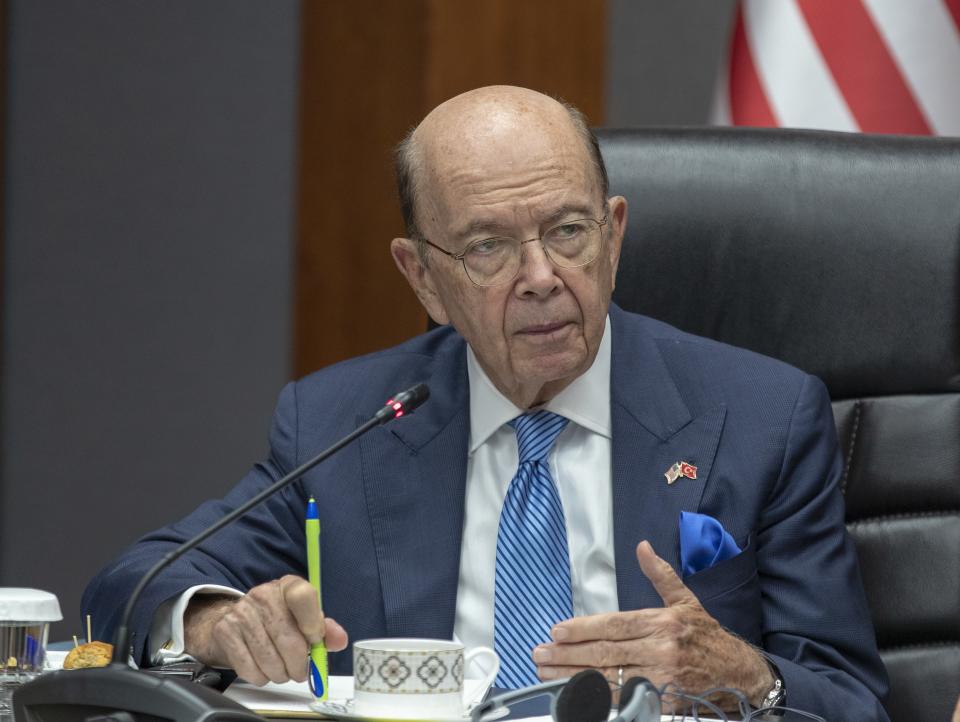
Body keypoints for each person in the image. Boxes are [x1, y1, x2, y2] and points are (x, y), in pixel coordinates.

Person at [84, 86, 889, 720]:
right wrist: (213, 620)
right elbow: (133, 580)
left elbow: (852, 703)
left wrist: (746, 677)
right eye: (488, 247)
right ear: (424, 279)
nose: (540, 275)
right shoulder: (345, 423)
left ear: (614, 237)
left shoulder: (762, 417)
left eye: (568, 231)